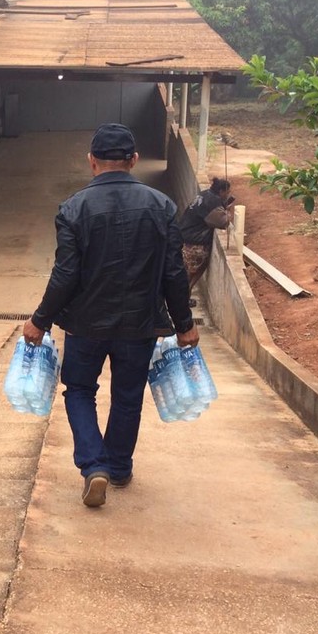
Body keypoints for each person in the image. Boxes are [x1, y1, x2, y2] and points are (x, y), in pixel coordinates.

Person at [22, 123, 198, 508]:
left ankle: (93, 465)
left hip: (85, 324)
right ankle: (118, 468)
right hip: (139, 324)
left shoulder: (73, 208)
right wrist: (184, 324)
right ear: (134, 160)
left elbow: (66, 273)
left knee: (81, 391)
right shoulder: (162, 206)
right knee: (128, 395)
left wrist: (40, 319)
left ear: (91, 162)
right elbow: (174, 271)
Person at [179, 177, 235, 292]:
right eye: (227, 192)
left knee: (196, 269)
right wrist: (229, 213)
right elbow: (221, 222)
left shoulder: (205, 194)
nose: (228, 194)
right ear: (221, 191)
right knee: (189, 273)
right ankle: (181, 299)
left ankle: (185, 296)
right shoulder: (213, 201)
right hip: (194, 241)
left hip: (186, 235)